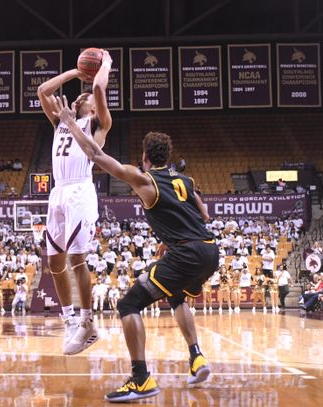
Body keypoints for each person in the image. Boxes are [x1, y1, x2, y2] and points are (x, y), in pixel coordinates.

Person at [53, 98, 218, 402]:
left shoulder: (145, 179)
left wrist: (69, 121)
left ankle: (140, 378)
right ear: (168, 156)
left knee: (128, 305)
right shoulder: (185, 179)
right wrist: (170, 238)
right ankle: (197, 357)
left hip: (187, 254)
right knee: (177, 294)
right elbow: (203, 215)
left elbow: (95, 153)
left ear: (144, 157)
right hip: (209, 250)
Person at [37, 50, 113, 355]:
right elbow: (43, 91)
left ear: (94, 109)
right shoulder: (61, 121)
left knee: (77, 260)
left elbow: (97, 89)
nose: (84, 95)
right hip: (57, 192)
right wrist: (73, 72)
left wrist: (103, 66)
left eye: (89, 97)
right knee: (54, 262)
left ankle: (87, 323)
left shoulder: (98, 125)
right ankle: (69, 319)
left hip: (80, 191)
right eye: (81, 95)